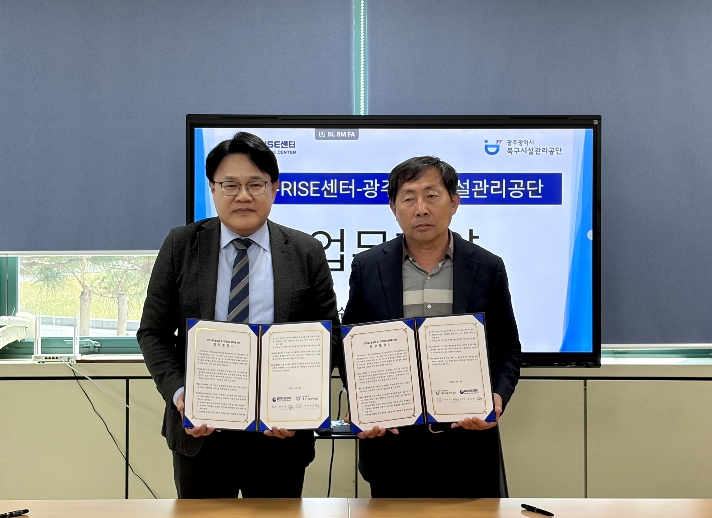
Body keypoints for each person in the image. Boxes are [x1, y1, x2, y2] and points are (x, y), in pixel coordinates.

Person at [137, 131, 340, 498]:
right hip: (201, 432)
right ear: (213, 189)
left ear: (274, 188)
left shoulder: (305, 250)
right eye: (230, 185)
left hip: (280, 436)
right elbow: (153, 332)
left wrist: (299, 405)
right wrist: (181, 393)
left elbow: (330, 338)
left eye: (255, 184)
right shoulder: (181, 245)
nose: (243, 196)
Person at [341, 156, 522, 498]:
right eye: (408, 198)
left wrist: (497, 397)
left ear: (454, 202)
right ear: (393, 208)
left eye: (432, 196)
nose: (421, 208)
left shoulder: (487, 267)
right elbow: (349, 347)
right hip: (391, 444)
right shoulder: (368, 267)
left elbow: (507, 348)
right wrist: (362, 401)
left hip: (467, 443)